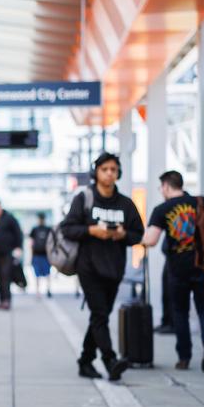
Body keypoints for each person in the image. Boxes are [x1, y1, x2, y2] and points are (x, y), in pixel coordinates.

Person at [60, 153, 143, 381]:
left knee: (100, 316)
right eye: (105, 168)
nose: (109, 173)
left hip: (114, 268)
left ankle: (85, 361)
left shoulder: (125, 204)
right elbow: (67, 228)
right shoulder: (84, 198)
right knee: (100, 314)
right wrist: (91, 230)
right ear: (96, 172)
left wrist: (123, 234)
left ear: (118, 173)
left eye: (113, 169)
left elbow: (139, 234)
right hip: (89, 268)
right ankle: (110, 359)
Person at [141, 170, 204, 372]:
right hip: (203, 264)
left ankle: (184, 358)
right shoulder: (202, 202)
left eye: (161, 188)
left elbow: (151, 240)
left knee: (180, 312)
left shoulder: (162, 209)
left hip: (177, 268)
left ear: (166, 186)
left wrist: (136, 238)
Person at [29, 212, 52, 298]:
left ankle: (48, 289)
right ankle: (38, 291)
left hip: (45, 255)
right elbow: (31, 243)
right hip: (37, 255)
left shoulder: (48, 229)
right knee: (37, 274)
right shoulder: (35, 229)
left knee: (47, 273)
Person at [154, 239, 175, 334]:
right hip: (170, 256)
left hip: (177, 257)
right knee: (166, 293)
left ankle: (172, 323)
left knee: (171, 293)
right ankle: (166, 321)